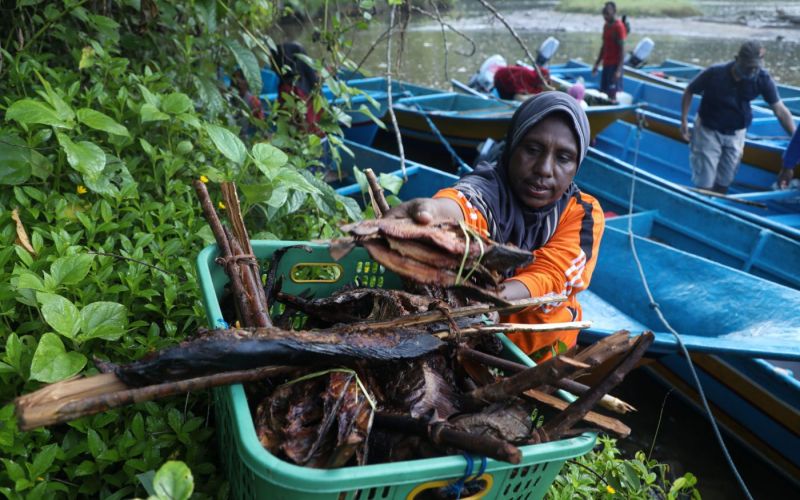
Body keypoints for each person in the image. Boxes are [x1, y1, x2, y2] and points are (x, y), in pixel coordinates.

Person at [386, 92, 605, 361]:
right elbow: (463, 205)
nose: (545, 169)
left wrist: (493, 299)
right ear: (512, 146)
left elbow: (552, 274)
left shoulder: (581, 212)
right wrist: (431, 211)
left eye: (563, 158)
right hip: (475, 353)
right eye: (532, 150)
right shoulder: (488, 190)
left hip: (544, 359)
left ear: (577, 165)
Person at [680, 41, 796, 193]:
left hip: (736, 132)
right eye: (748, 66)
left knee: (724, 181)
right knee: (705, 182)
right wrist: (683, 120)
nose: (752, 71)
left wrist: (795, 140)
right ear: (737, 59)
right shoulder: (715, 73)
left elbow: (780, 110)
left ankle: (717, 200)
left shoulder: (762, 78)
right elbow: (689, 90)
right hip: (709, 129)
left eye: (756, 67)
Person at [273, 42, 323, 135]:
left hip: (303, 136)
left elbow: (289, 117)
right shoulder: (310, 79)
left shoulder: (289, 87)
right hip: (318, 133)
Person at [591, 2, 626, 104]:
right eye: (604, 14)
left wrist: (619, 70)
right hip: (606, 64)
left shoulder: (619, 27)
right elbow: (604, 46)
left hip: (615, 66)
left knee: (613, 93)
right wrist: (597, 64)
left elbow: (622, 50)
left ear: (614, 12)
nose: (605, 16)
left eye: (607, 14)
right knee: (605, 91)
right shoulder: (606, 26)